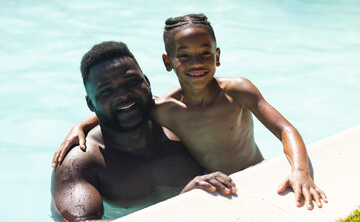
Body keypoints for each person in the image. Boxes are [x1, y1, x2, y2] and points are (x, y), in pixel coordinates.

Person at [53, 14, 327, 211]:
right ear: (168, 62)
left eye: (205, 53)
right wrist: (83, 125)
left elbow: (285, 128)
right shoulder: (165, 111)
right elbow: (124, 109)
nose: (196, 63)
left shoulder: (236, 91)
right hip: (214, 193)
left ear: (218, 55)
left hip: (254, 176)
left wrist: (301, 170)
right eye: (184, 56)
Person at [51, 41, 237, 222]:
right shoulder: (81, 162)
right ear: (90, 103)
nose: (123, 94)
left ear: (147, 82)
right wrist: (182, 202)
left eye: (132, 81)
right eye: (107, 90)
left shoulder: (181, 124)